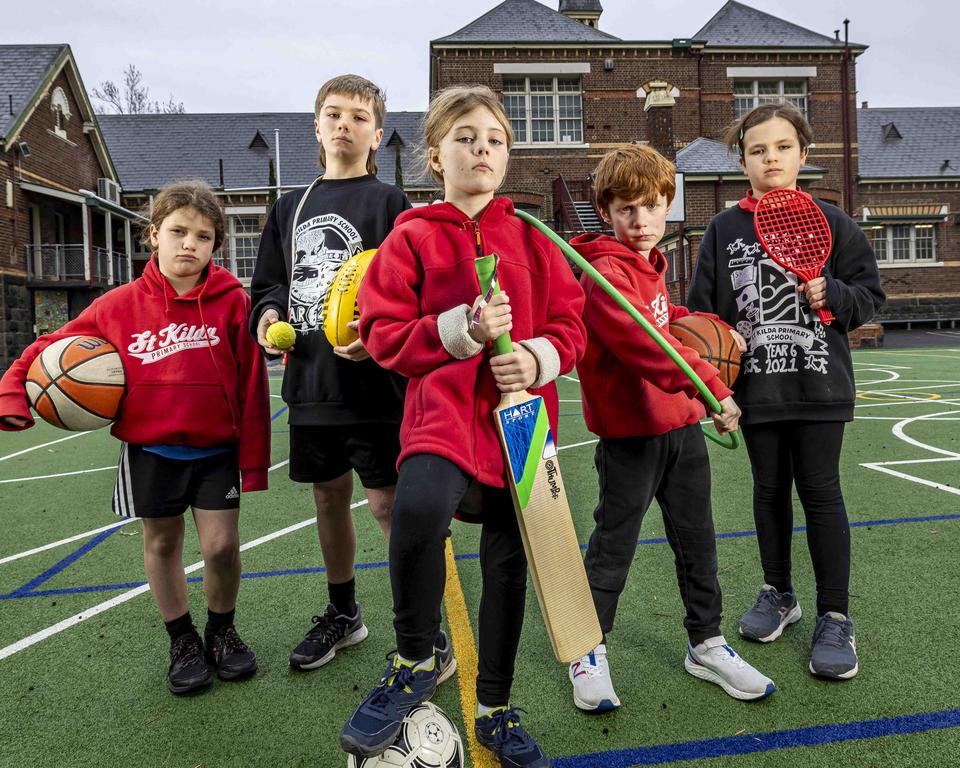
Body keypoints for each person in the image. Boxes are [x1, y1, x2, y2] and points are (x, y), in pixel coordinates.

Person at [340, 85, 585, 768]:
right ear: (435, 156)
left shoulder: (535, 237)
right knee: (418, 509)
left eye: (495, 139)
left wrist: (536, 359)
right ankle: (415, 657)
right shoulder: (411, 237)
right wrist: (463, 331)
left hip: (524, 422)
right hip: (443, 415)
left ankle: (495, 708)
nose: (482, 148)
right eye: (466, 136)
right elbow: (384, 334)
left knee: (510, 561)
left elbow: (573, 327)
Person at [0, 180, 270, 694]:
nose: (190, 244)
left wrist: (253, 462)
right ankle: (182, 638)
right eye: (178, 231)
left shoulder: (234, 302)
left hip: (217, 451)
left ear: (216, 244)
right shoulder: (117, 305)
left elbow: (254, 386)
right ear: (153, 235)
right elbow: (49, 346)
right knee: (163, 542)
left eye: (204, 236)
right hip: (151, 450)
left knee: (221, 547)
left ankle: (221, 630)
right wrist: (13, 391)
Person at [566, 144, 775, 713]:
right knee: (614, 547)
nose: (641, 221)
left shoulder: (649, 264)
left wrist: (701, 324)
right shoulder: (604, 274)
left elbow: (662, 319)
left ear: (668, 205)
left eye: (652, 207)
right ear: (605, 211)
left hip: (679, 432)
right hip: (630, 436)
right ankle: (587, 650)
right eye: (627, 209)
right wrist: (713, 385)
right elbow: (643, 342)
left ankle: (706, 642)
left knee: (698, 542)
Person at [687, 102, 885, 680]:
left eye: (781, 147)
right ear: (742, 160)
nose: (770, 158)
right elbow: (703, 315)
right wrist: (715, 376)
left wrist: (835, 297)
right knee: (768, 490)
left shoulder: (832, 220)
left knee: (821, 492)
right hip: (757, 391)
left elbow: (870, 297)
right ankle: (779, 592)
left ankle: (834, 614)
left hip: (820, 385)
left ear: (803, 153)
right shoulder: (723, 230)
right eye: (757, 150)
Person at [249, 75, 420, 672]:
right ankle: (344, 613)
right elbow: (268, 284)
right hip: (312, 384)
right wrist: (268, 314)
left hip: (374, 387)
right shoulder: (289, 206)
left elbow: (408, 290)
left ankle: (418, 628)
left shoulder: (391, 205)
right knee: (328, 499)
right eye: (333, 114)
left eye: (357, 116)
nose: (344, 123)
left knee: (385, 505)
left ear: (377, 134)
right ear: (316, 128)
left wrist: (379, 339)